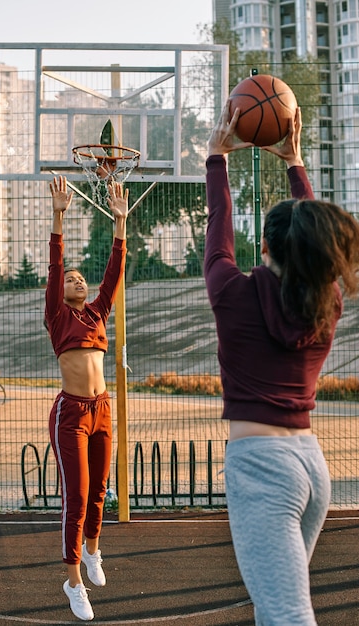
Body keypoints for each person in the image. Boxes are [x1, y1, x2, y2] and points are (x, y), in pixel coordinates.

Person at [204, 103, 359, 625]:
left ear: (265, 244)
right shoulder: (328, 301)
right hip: (312, 466)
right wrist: (295, 162)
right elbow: (320, 250)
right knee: (278, 610)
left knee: (287, 614)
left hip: (261, 467)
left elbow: (218, 228)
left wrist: (216, 159)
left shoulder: (231, 293)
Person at [45, 175, 128, 621]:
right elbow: (56, 264)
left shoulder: (97, 313)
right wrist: (59, 216)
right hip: (72, 413)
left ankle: (93, 552)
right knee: (75, 496)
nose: (77, 279)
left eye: (81, 278)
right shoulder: (58, 316)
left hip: (102, 411)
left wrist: (120, 224)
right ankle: (73, 581)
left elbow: (114, 273)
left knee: (99, 490)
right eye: (71, 279)